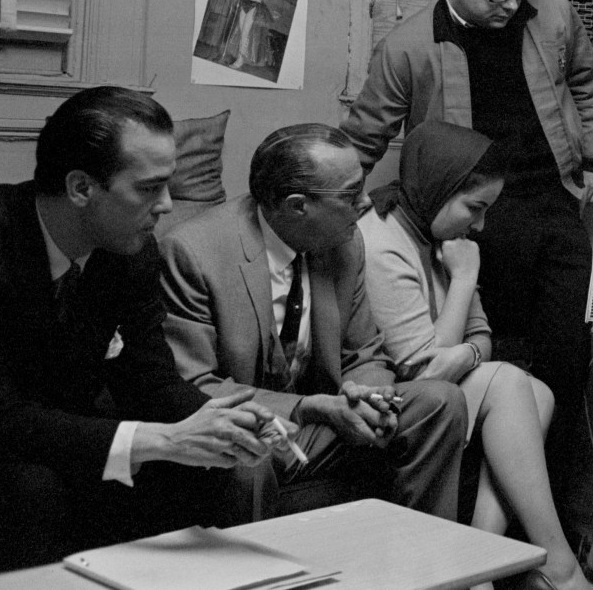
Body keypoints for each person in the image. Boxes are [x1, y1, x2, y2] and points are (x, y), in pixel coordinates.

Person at [342, 0, 593, 495]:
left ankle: (548, 515)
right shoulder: (408, 46)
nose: (514, 4)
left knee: (567, 361)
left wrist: (591, 157)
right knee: (495, 365)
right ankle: (474, 519)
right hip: (473, 225)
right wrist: (342, 216)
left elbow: (587, 79)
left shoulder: (553, 12)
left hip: (555, 207)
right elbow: (362, 140)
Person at [0, 87, 294, 573]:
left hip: (72, 445)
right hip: (4, 454)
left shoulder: (129, 252)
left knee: (216, 472)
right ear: (81, 188)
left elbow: (148, 378)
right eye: (149, 188)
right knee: (32, 490)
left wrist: (221, 422)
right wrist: (161, 441)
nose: (168, 206)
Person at [159, 124, 469, 521]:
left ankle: (421, 564)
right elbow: (194, 384)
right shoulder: (193, 252)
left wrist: (371, 399)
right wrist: (306, 408)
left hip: (323, 423)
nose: (365, 204)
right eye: (350, 195)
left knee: (439, 402)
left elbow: (365, 353)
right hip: (252, 423)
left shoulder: (345, 243)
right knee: (244, 452)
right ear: (296, 206)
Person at [359, 121, 593, 590]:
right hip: (397, 401)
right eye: (474, 208)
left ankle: (477, 565)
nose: (481, 225)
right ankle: (558, 566)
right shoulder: (383, 242)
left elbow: (480, 336)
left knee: (540, 394)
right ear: (439, 187)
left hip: (436, 388)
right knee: (511, 382)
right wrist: (465, 280)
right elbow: (427, 371)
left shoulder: (442, 239)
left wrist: (466, 348)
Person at [218, 0, 275, 70]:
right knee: (241, 32)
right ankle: (240, 57)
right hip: (244, 6)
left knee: (245, 33)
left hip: (254, 7)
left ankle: (240, 60)